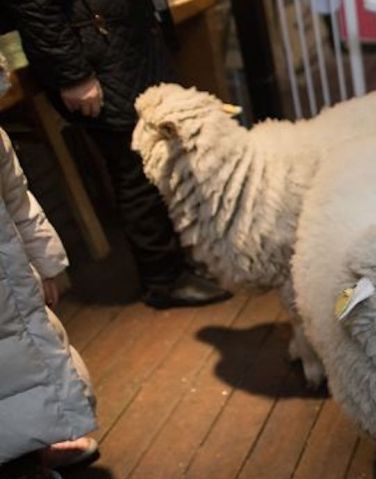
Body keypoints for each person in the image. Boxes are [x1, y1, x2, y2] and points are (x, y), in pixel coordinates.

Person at [6, 0, 231, 308]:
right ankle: (163, 279)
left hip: (124, 40)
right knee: (135, 167)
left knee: (156, 161)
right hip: (99, 49)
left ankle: (177, 266)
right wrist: (73, 74)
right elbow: (36, 6)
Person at [0, 126, 125, 479]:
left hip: (10, 287)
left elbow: (17, 196)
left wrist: (45, 260)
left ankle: (31, 444)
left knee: (25, 378)